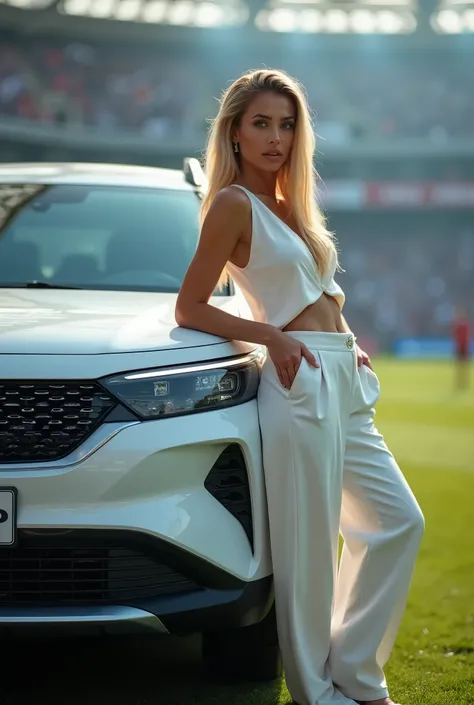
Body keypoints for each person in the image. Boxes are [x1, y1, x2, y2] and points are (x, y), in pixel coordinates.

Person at [175, 68, 424, 705]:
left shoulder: (293, 206)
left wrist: (350, 342)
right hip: (297, 375)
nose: (276, 138)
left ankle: (359, 676)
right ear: (233, 132)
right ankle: (321, 694)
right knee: (310, 547)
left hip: (339, 371)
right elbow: (191, 307)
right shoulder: (234, 205)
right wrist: (272, 336)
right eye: (261, 123)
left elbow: (316, 294)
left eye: (286, 125)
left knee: (398, 522)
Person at [452, 306, 471, 390]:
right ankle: (460, 382)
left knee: (463, 365)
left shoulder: (464, 324)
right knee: (460, 365)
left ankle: (463, 381)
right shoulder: (458, 324)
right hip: (460, 346)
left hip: (464, 347)